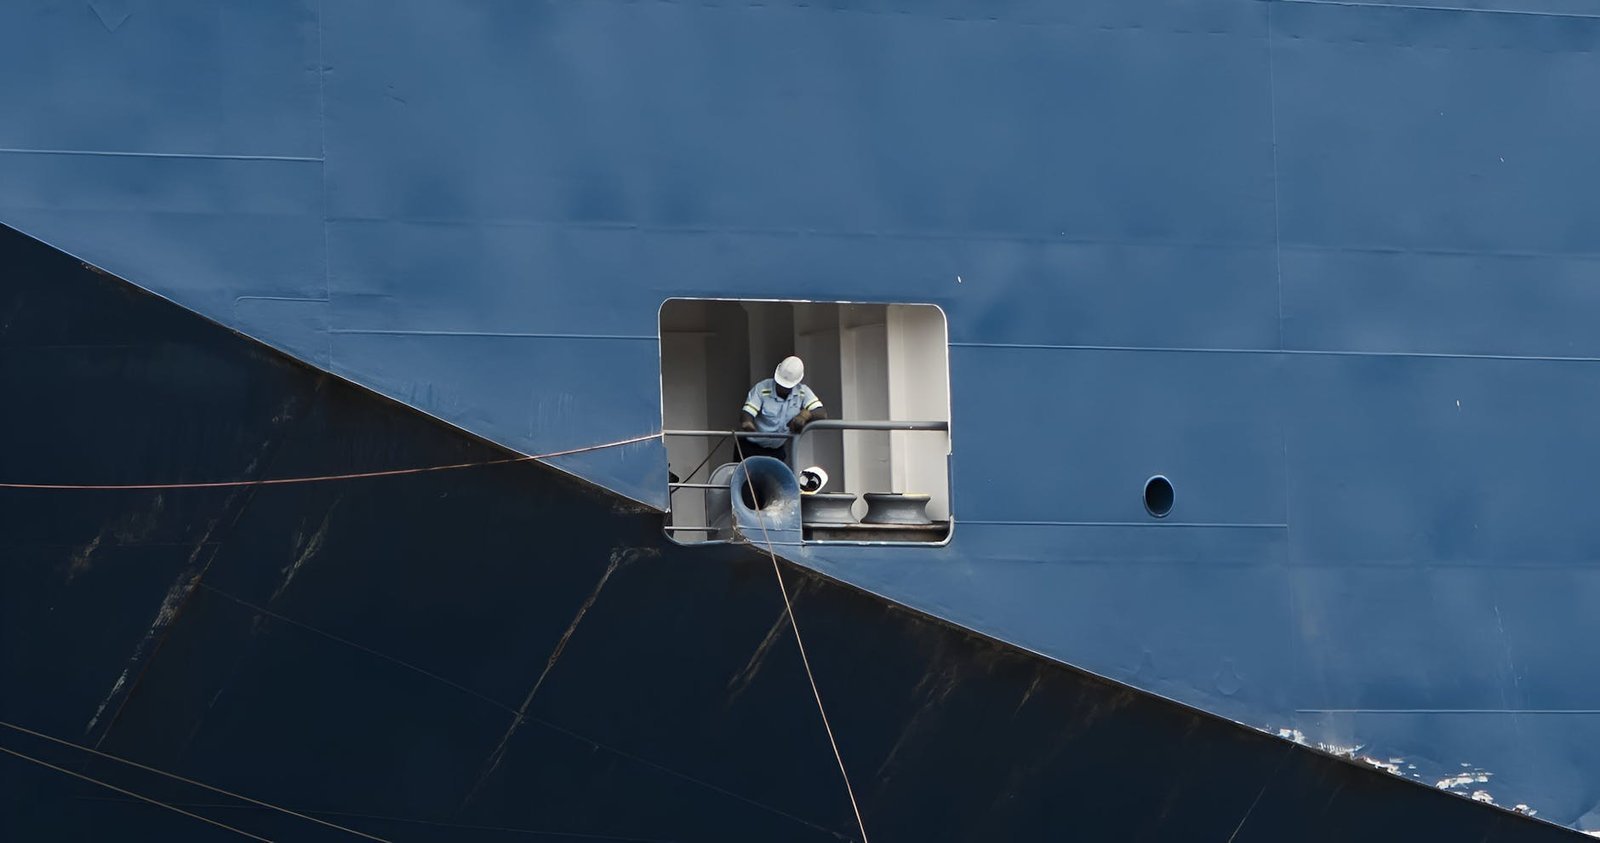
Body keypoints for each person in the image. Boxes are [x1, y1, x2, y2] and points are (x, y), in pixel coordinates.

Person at [738, 356, 826, 464]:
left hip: (776, 450)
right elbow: (747, 412)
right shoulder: (762, 388)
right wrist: (747, 424)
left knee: (776, 480)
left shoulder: (802, 392)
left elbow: (821, 413)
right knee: (747, 480)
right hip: (750, 448)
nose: (782, 387)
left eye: (786, 386)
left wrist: (805, 415)